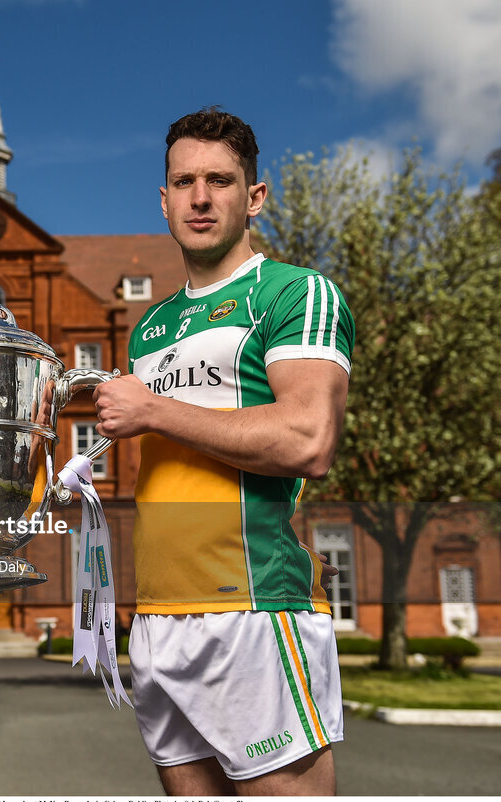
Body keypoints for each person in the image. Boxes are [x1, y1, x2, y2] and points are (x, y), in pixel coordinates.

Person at [92, 108, 353, 796]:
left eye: (220, 180)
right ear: (164, 199)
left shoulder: (295, 292)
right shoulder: (149, 328)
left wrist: (152, 409)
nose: (200, 198)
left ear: (254, 196)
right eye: (184, 182)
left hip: (255, 609)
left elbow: (308, 439)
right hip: (158, 618)